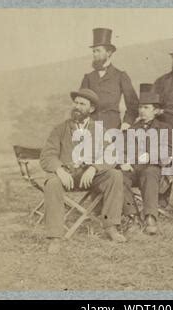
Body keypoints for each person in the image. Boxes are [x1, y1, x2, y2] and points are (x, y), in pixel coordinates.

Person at [40, 88, 126, 254]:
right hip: (67, 176)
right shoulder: (60, 129)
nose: (77, 107)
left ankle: (111, 227)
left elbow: (111, 155)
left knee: (115, 175)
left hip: (90, 177)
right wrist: (59, 170)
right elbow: (47, 156)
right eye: (76, 103)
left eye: (82, 104)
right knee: (52, 183)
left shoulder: (99, 131)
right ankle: (55, 237)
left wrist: (94, 168)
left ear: (91, 109)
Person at [121, 84, 173, 235]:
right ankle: (133, 217)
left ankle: (150, 217)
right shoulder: (132, 129)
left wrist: (150, 156)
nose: (142, 111)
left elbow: (169, 150)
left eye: (146, 107)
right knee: (119, 177)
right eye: (140, 107)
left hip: (153, 168)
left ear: (156, 111)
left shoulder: (165, 128)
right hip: (133, 169)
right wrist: (124, 162)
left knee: (150, 173)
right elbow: (122, 150)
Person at [80, 28, 139, 130]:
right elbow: (80, 104)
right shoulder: (88, 78)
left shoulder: (121, 76)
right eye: (93, 51)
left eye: (98, 51)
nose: (94, 54)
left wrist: (127, 123)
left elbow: (133, 105)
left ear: (109, 52)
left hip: (113, 128)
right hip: (90, 129)